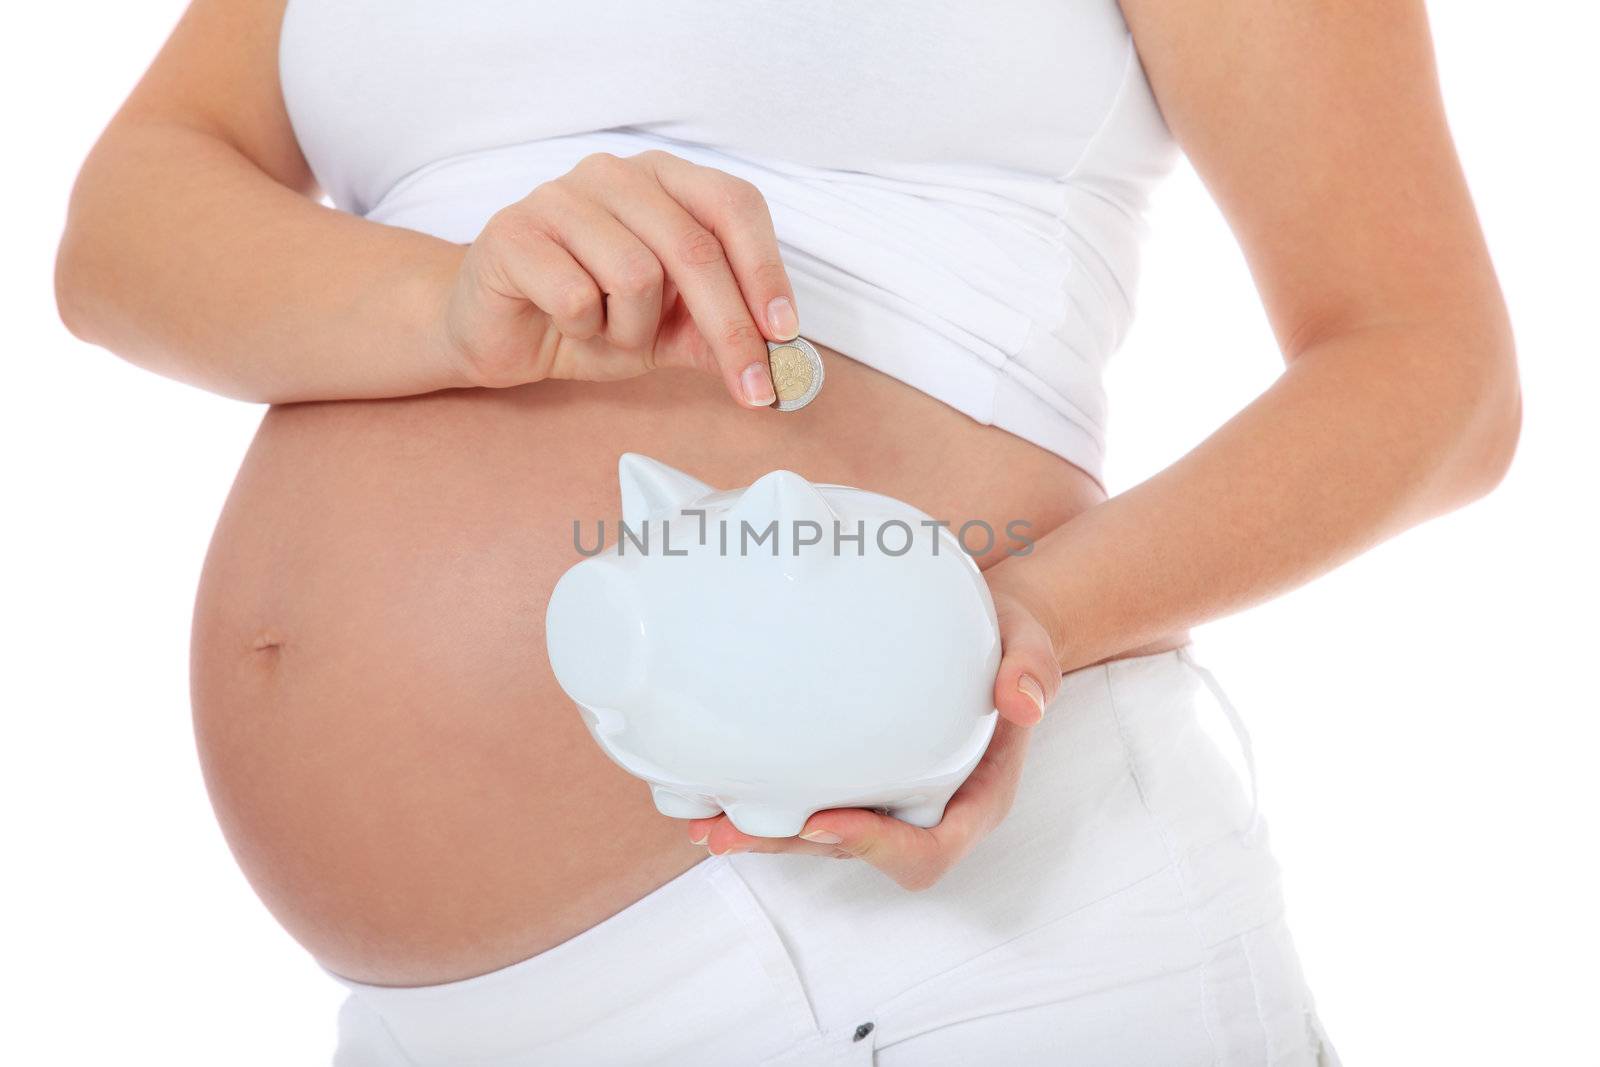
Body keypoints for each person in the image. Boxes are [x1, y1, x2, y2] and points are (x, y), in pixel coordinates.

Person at [55, 1, 1519, 1063]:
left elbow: (1433, 372)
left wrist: (1026, 629)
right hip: (441, 1026)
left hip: (934, 956)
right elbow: (123, 223)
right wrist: (448, 304)